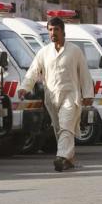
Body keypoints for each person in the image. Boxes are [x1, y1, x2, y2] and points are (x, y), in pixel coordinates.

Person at [17, 17, 94, 172]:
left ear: (63, 31)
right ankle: (69, 158)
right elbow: (33, 71)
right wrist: (24, 87)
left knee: (66, 126)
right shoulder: (44, 52)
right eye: (50, 30)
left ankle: (60, 157)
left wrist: (88, 94)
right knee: (60, 129)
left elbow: (84, 74)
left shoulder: (74, 51)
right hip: (51, 97)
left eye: (56, 30)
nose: (53, 33)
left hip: (70, 96)